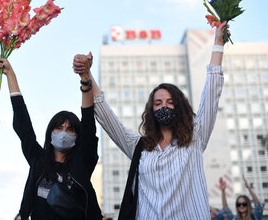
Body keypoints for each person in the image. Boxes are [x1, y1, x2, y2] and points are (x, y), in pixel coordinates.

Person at [73, 22, 229, 219]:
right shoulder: (139, 147)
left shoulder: (196, 137)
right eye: (158, 103)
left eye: (170, 102)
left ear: (179, 107)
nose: (164, 106)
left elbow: (211, 92)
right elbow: (106, 116)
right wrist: (87, 75)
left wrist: (218, 44)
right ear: (151, 110)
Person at [0, 53, 102, 220]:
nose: (64, 133)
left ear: (77, 136)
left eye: (70, 129)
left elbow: (88, 123)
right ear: (50, 134)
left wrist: (85, 79)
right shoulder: (38, 159)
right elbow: (23, 125)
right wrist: (10, 74)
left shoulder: (82, 162)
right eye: (58, 127)